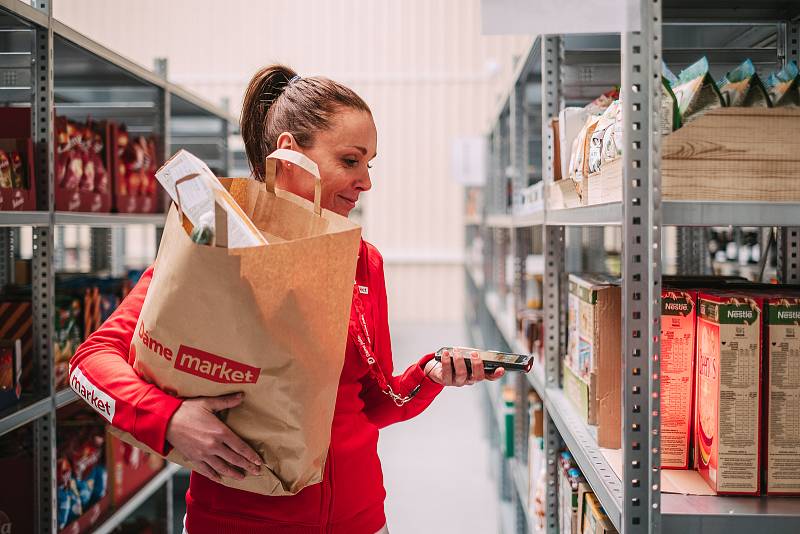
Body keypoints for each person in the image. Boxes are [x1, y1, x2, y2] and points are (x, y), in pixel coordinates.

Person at [70, 64, 505, 534]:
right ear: (290, 154)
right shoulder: (212, 251)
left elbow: (374, 402)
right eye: (350, 160)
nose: (366, 182)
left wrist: (431, 375)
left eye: (369, 164)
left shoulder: (362, 262)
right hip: (239, 521)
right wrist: (169, 418)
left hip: (360, 519)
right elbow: (88, 363)